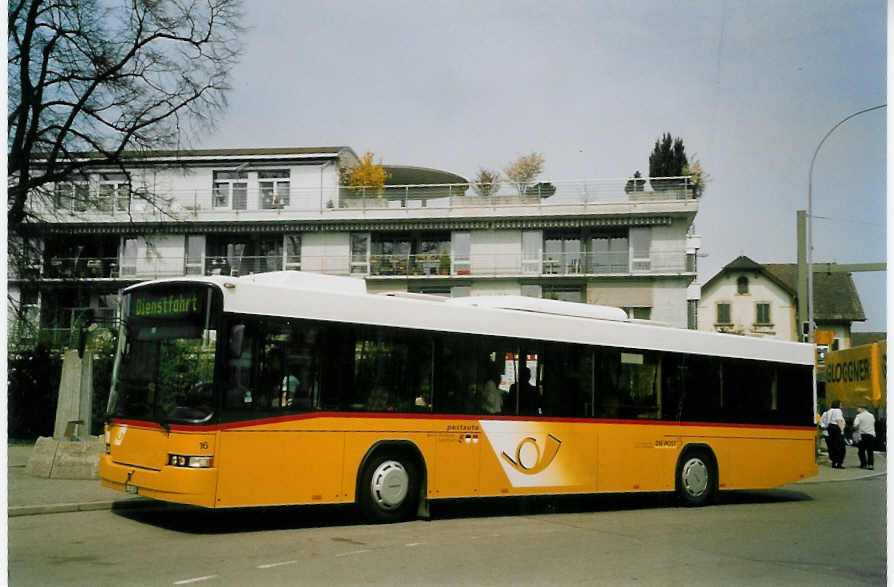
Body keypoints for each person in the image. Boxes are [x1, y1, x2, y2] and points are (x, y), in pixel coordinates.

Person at [821, 400, 846, 468]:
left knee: (833, 446)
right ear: (838, 405)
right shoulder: (837, 410)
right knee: (841, 447)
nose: (841, 405)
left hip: (830, 428)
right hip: (836, 428)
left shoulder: (829, 411)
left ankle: (834, 463)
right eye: (841, 404)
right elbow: (838, 420)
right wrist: (842, 430)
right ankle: (839, 463)